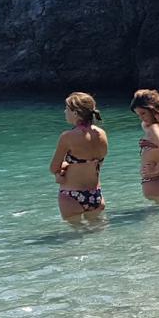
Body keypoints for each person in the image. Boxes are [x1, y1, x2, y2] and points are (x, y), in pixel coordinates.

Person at [50, 92, 108, 222]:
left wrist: (63, 167)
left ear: (75, 113)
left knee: (74, 238)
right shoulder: (102, 134)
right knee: (97, 233)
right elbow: (95, 164)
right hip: (95, 195)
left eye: (67, 109)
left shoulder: (67, 137)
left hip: (71, 195)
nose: (64, 111)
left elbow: (54, 168)